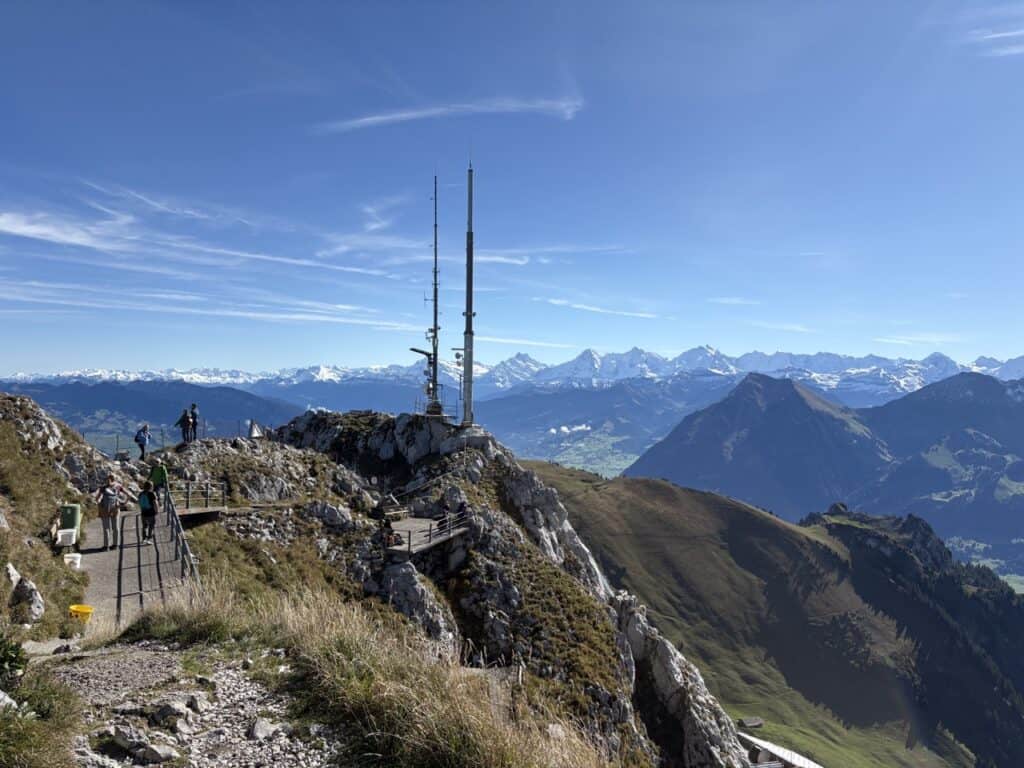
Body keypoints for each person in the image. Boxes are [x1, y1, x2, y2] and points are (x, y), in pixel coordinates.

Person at [94, 474, 134, 551]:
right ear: (114, 480)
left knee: (106, 528)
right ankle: (116, 545)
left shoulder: (103, 488)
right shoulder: (118, 487)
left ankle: (106, 546)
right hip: (115, 508)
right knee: (116, 527)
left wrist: (100, 504)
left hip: (105, 509)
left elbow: (97, 498)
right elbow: (129, 495)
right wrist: (123, 503)